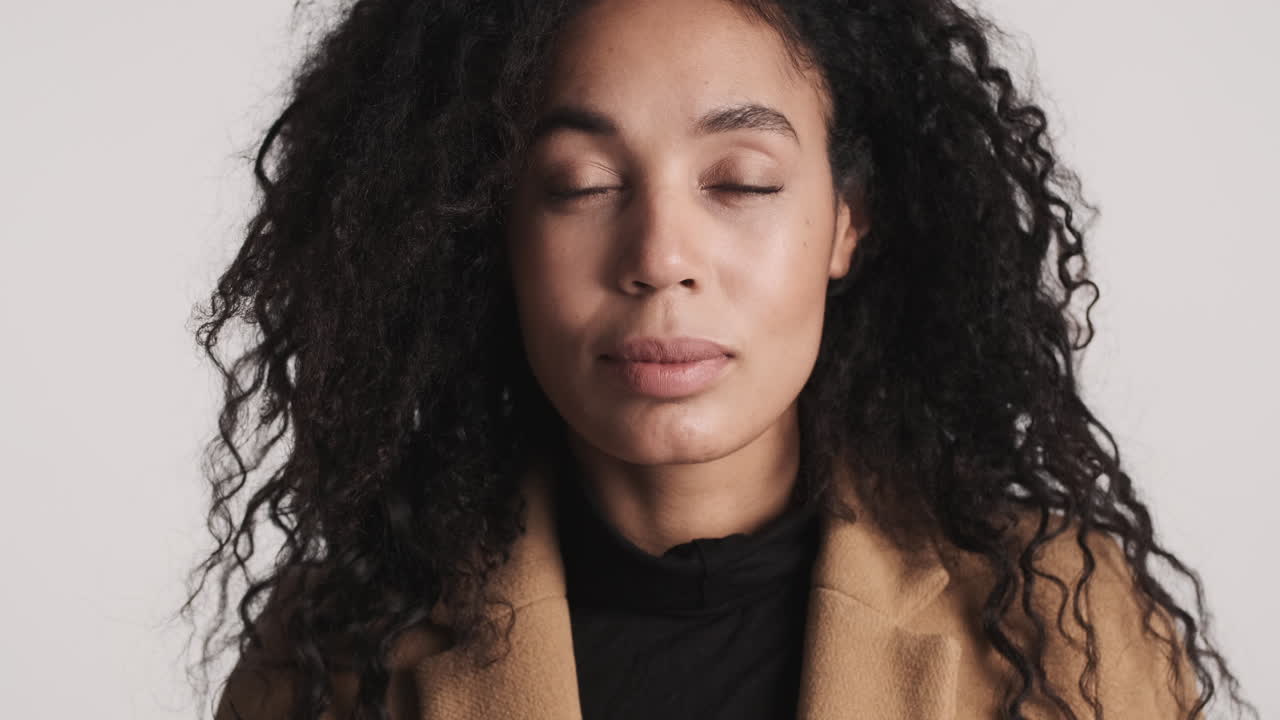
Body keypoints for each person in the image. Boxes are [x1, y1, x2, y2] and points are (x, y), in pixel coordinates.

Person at [181, 1, 1257, 718]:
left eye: (738, 182)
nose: (657, 259)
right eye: (579, 184)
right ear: (491, 232)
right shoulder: (334, 663)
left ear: (846, 223)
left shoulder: (1061, 624)